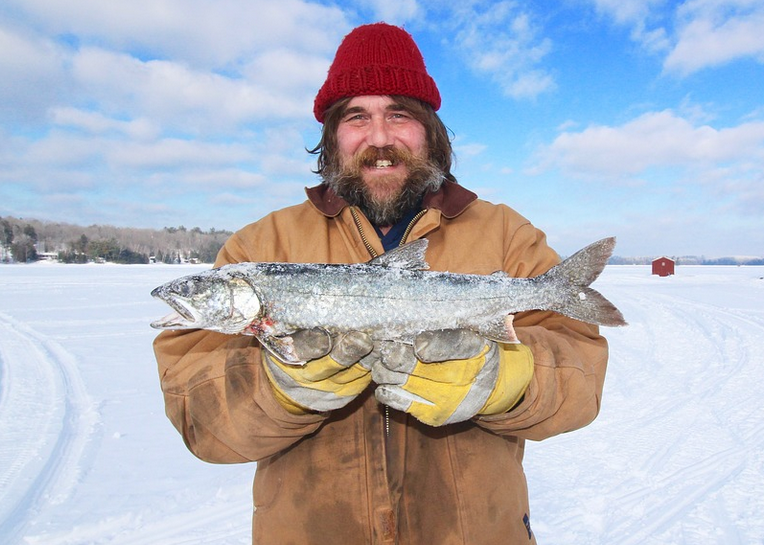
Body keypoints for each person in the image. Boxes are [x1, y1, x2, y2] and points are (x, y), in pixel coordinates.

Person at [153, 22, 609, 545]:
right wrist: (280, 389)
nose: (380, 138)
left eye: (399, 114)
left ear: (431, 131)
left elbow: (582, 380)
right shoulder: (259, 246)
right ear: (331, 136)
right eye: (356, 117)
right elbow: (198, 417)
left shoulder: (507, 234)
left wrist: (504, 382)